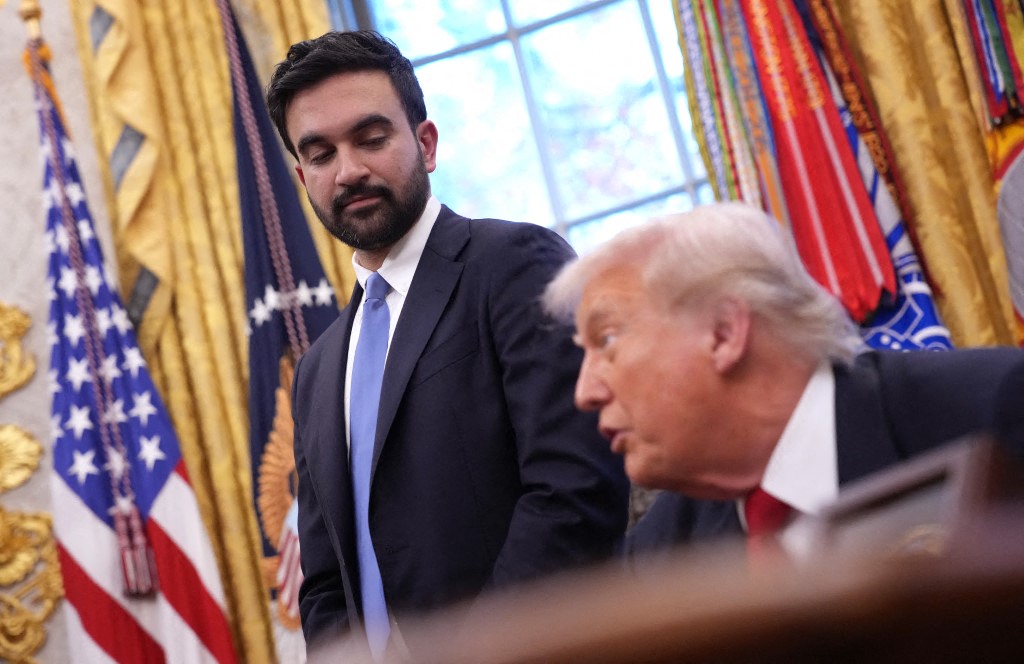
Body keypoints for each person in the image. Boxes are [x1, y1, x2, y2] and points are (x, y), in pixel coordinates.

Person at [265, 30, 629, 657]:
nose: (349, 170)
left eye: (371, 139)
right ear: (303, 176)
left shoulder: (513, 263)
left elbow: (575, 489)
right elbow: (325, 583)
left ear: (425, 143)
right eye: (321, 154)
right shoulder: (319, 370)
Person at [541, 201, 1024, 557]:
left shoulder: (994, 412)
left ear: (724, 332)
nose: (585, 392)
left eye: (606, 341)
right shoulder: (661, 555)